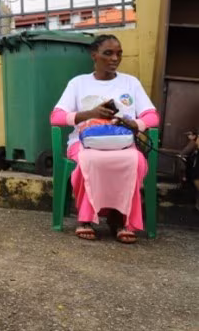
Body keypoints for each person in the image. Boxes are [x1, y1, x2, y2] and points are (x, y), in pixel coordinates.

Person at [50, 34, 160, 243]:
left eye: (118, 54)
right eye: (108, 53)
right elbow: (56, 116)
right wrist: (91, 114)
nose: (114, 58)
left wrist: (135, 123)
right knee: (89, 161)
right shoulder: (78, 83)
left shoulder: (130, 83)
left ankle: (119, 220)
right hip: (85, 143)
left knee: (134, 160)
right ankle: (85, 219)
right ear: (94, 56)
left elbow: (152, 116)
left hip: (122, 143)